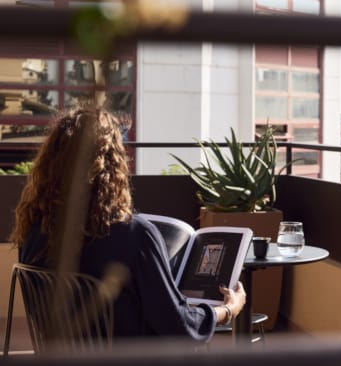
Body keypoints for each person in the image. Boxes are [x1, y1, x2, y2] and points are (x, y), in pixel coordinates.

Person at [9, 107, 246, 342]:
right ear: (114, 166)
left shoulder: (32, 232)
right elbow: (179, 326)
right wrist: (226, 312)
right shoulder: (136, 237)